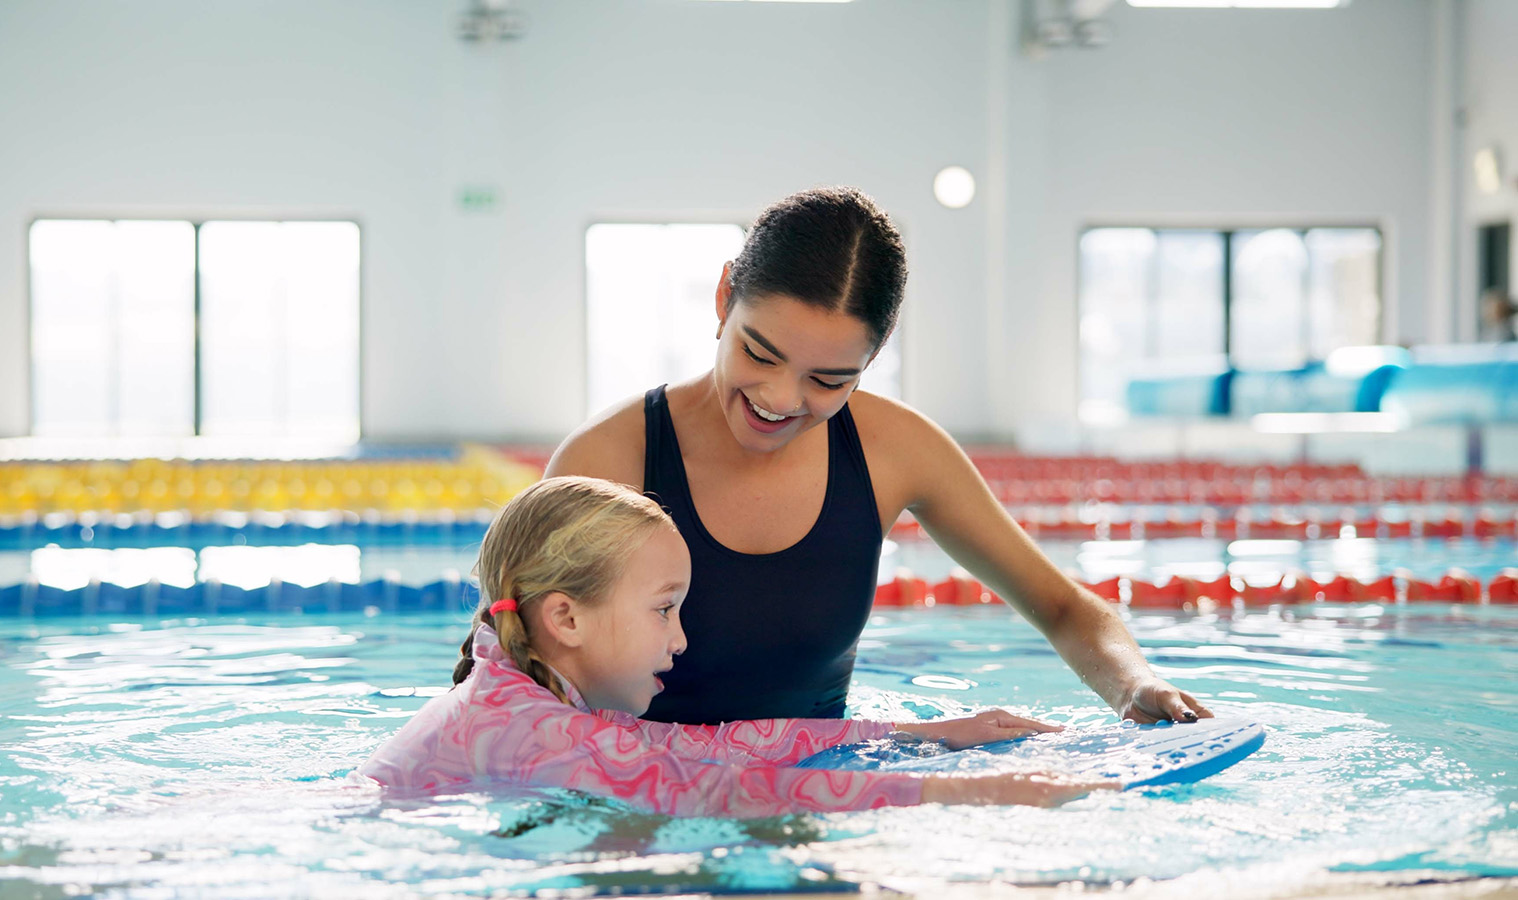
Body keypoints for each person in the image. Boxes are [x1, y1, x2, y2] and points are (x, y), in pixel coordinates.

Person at [545, 187, 1211, 726]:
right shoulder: (609, 459)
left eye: (828, 379)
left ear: (875, 354)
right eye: (759, 352)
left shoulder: (895, 450)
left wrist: (1135, 684)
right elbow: (519, 686)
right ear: (724, 299)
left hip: (818, 803)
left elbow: (1064, 608)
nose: (780, 399)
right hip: (636, 811)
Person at [354, 476, 1117, 817]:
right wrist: (971, 792)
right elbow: (732, 793)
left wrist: (925, 737)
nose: (682, 639)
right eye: (664, 610)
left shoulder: (524, 699)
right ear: (568, 618)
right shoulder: (539, 728)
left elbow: (716, 749)